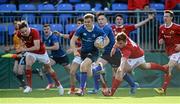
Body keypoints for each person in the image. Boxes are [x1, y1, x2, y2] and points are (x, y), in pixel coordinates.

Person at [102, 32, 169, 96]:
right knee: (144, 66)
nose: (119, 45)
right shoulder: (123, 36)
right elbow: (117, 41)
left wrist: (121, 68)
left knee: (119, 71)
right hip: (138, 53)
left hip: (135, 57)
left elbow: (122, 63)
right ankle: (164, 68)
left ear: (125, 41)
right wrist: (114, 48)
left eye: (121, 44)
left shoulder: (127, 50)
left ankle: (111, 92)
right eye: (118, 43)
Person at [88, 12, 138, 94]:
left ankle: (133, 85)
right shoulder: (98, 29)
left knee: (119, 72)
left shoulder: (106, 28)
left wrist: (97, 43)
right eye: (99, 19)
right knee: (95, 68)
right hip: (105, 54)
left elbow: (101, 40)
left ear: (106, 20)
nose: (100, 21)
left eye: (102, 19)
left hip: (114, 53)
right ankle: (96, 89)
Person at [16, 21, 64, 95]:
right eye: (22, 32)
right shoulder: (19, 34)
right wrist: (21, 46)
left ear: (28, 27)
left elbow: (37, 47)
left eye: (26, 31)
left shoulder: (34, 32)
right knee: (28, 64)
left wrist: (24, 49)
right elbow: (23, 41)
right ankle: (29, 87)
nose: (24, 33)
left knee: (49, 69)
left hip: (41, 53)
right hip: (31, 52)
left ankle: (58, 85)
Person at [70, 13, 109, 96]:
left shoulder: (98, 30)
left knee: (83, 66)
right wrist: (74, 50)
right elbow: (72, 40)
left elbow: (107, 40)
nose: (86, 23)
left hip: (93, 52)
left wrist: (103, 45)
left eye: (88, 22)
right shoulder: (81, 29)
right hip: (83, 52)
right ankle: (98, 68)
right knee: (89, 74)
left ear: (93, 22)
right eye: (85, 22)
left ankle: (81, 90)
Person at [54, 18, 84, 94]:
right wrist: (60, 35)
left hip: (87, 55)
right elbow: (69, 36)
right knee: (72, 72)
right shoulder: (74, 32)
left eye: (80, 23)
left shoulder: (86, 33)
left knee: (88, 72)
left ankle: (99, 87)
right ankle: (73, 89)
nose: (78, 25)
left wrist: (74, 49)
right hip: (78, 55)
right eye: (78, 23)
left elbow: (87, 46)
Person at [154, 10, 180, 95]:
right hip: (169, 52)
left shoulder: (177, 27)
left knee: (169, 68)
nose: (165, 18)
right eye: (164, 16)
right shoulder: (161, 27)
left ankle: (163, 89)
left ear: (171, 18)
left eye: (167, 16)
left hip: (177, 51)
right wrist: (160, 40)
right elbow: (160, 38)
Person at [42, 24, 71, 90]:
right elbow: (44, 46)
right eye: (44, 29)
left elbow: (56, 47)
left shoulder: (53, 37)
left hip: (62, 56)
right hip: (54, 57)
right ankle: (50, 83)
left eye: (47, 29)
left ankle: (81, 84)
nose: (46, 30)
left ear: (50, 29)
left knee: (71, 71)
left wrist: (45, 48)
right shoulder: (44, 37)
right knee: (45, 67)